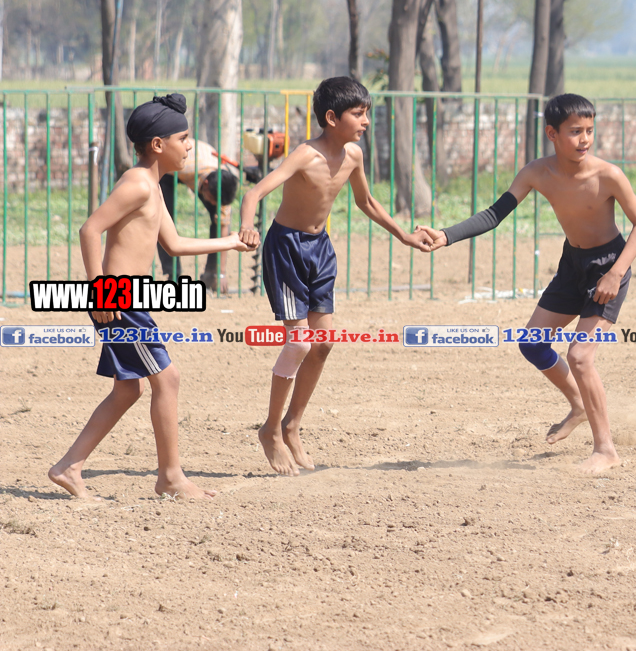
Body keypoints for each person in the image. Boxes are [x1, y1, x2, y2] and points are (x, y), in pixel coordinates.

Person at [419, 93, 636, 474]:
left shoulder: (608, 175)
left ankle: (606, 450)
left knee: (580, 357)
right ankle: (579, 405)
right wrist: (446, 235)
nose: (585, 139)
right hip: (572, 266)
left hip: (609, 266)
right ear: (552, 134)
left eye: (589, 130)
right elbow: (494, 214)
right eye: (575, 131)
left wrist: (616, 273)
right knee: (531, 342)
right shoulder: (536, 173)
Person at [49, 94, 253, 500]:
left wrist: (230, 241)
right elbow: (90, 230)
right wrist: (100, 294)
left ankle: (69, 467)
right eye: (184, 138)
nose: (190, 146)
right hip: (118, 300)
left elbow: (174, 245)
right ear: (158, 144)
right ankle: (171, 478)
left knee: (129, 389)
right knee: (167, 378)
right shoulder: (138, 183)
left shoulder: (152, 187)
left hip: (129, 299)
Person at [237, 77, 433, 476]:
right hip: (286, 249)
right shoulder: (304, 155)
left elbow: (367, 202)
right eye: (358, 114)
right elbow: (254, 193)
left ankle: (291, 426)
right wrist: (246, 226)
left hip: (320, 250)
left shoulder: (353, 156)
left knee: (323, 343)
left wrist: (405, 236)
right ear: (331, 118)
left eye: (366, 114)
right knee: (299, 343)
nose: (365, 121)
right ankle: (270, 429)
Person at [157, 139, 256, 292]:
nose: (213, 203)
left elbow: (224, 224)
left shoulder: (222, 184)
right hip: (167, 168)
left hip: (201, 168)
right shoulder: (186, 166)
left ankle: (211, 273)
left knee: (218, 219)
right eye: (212, 199)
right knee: (162, 220)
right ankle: (173, 276)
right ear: (206, 184)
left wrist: (221, 273)